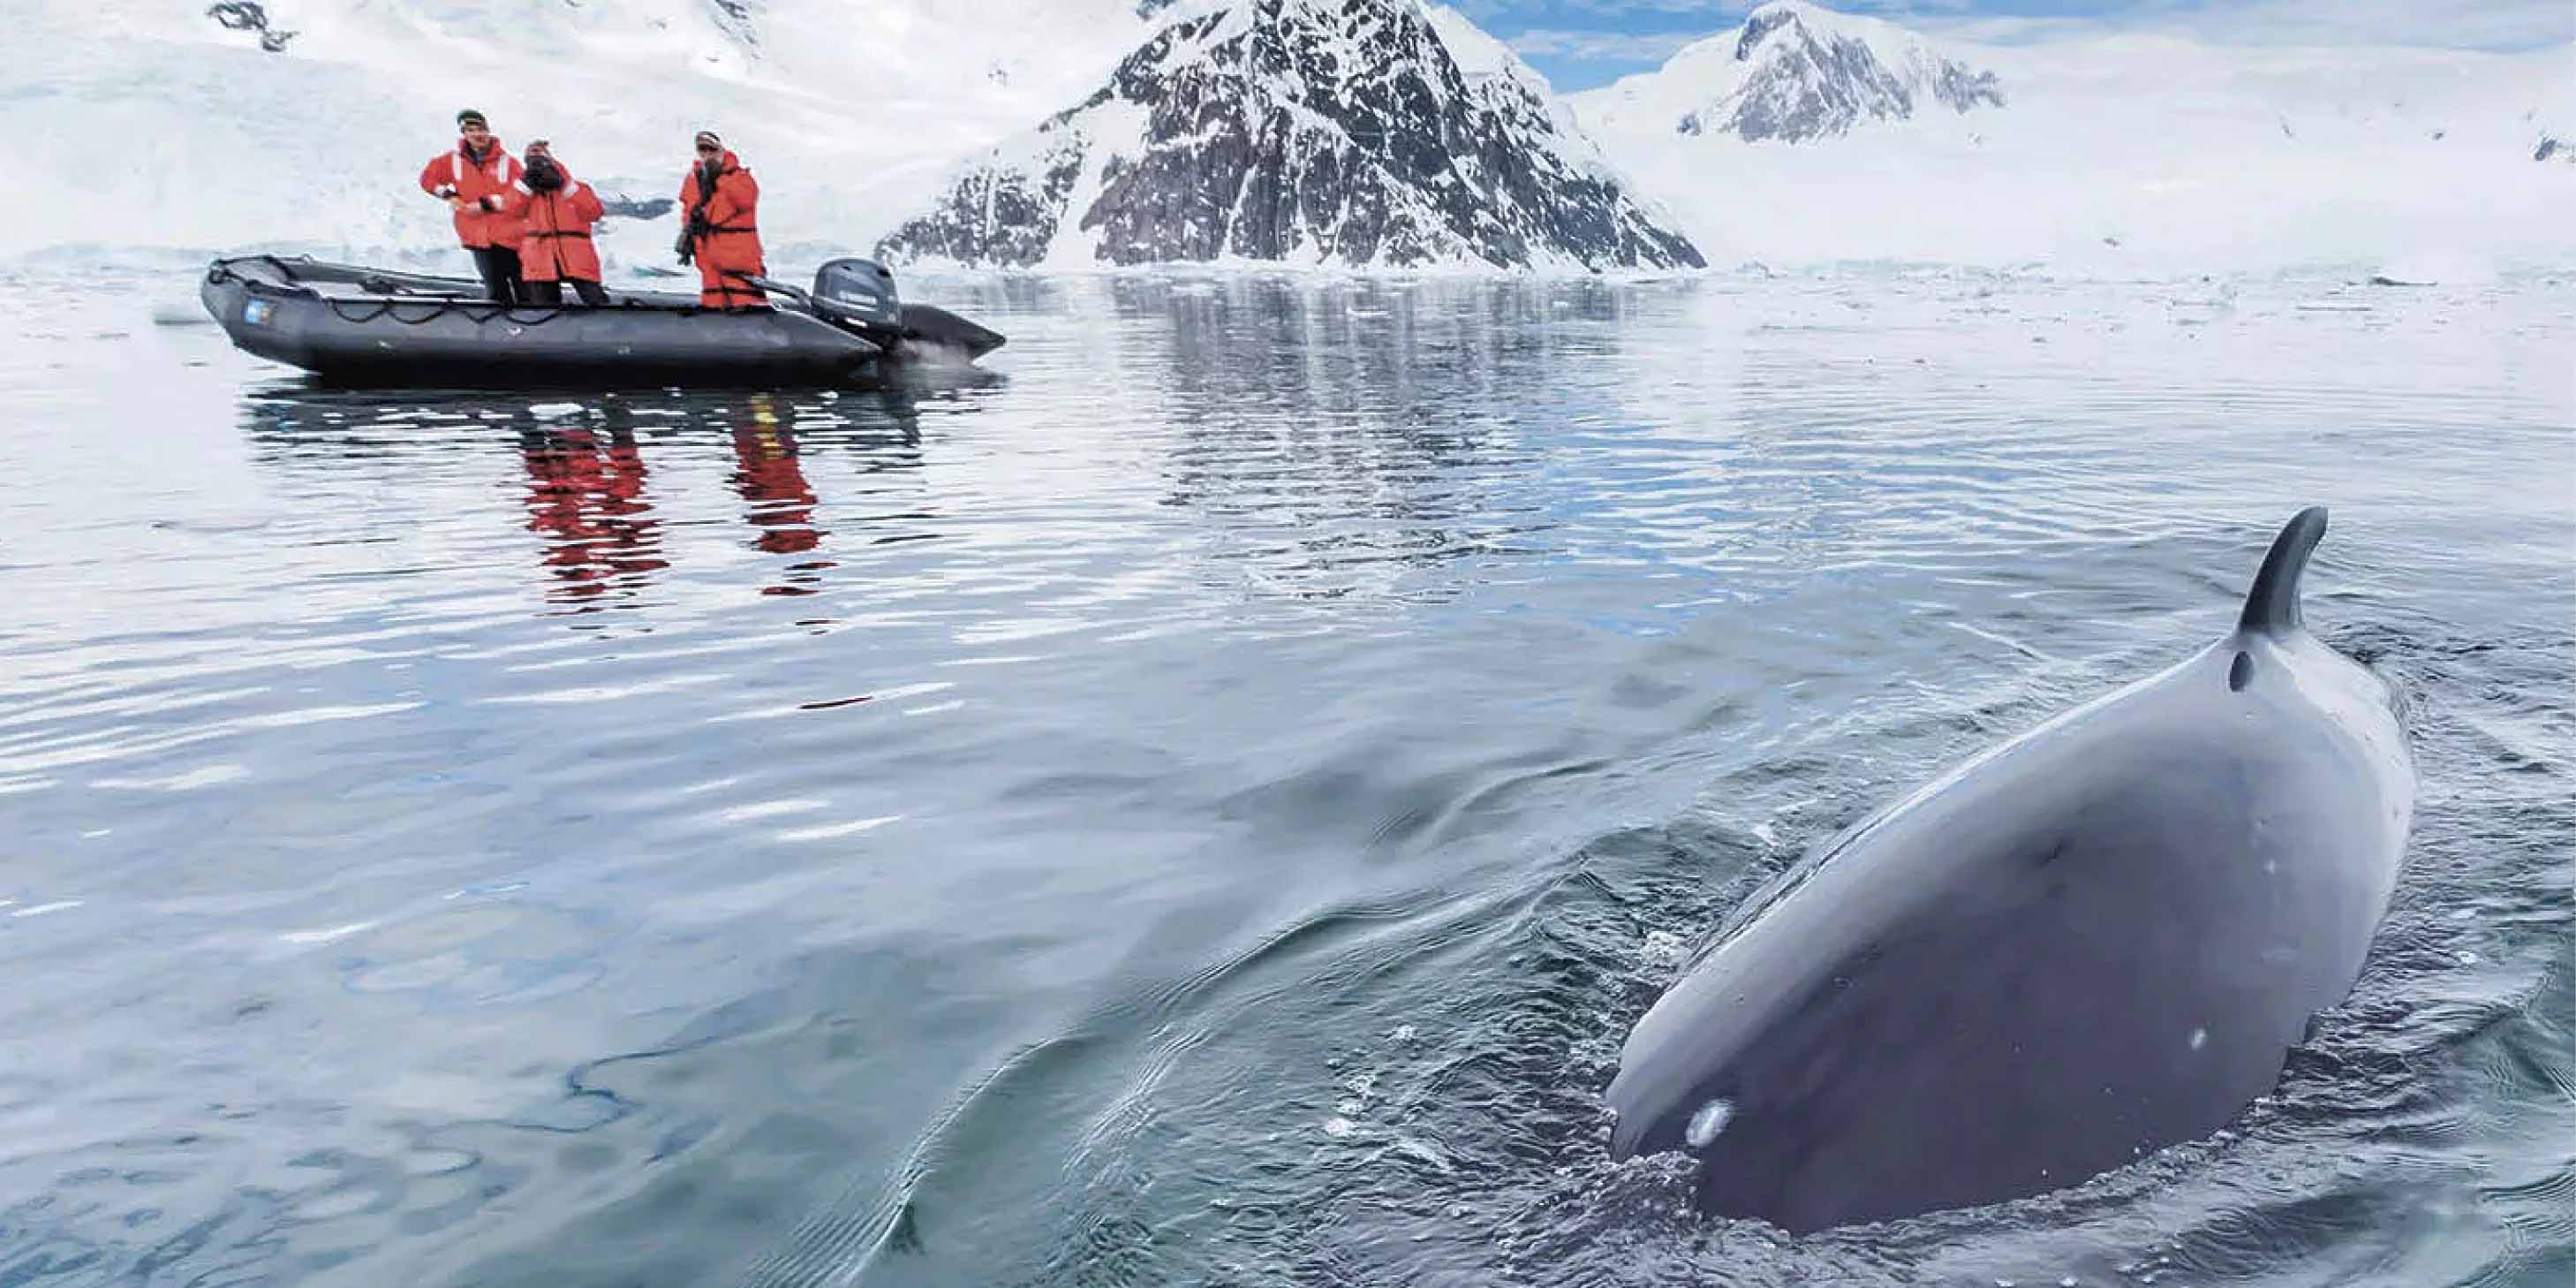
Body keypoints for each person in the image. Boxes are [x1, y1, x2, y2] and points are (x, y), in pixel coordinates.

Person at [419, 109, 525, 303]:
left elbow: (521, 195)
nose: (478, 134)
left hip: (512, 238)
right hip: (478, 238)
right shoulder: (451, 161)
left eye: (482, 129)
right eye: (471, 130)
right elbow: (428, 180)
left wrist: (486, 205)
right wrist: (449, 195)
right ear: (464, 134)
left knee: (525, 288)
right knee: (496, 290)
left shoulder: (509, 163)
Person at [676, 131, 767, 310]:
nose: (707, 153)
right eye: (702, 149)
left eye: (711, 149)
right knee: (713, 302)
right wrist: (687, 235)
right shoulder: (694, 179)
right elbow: (689, 209)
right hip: (708, 254)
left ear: (721, 150)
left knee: (746, 301)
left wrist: (721, 176)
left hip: (737, 256)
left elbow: (746, 199)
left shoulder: (738, 177)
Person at [511, 140, 609, 307]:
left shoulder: (575, 188)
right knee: (544, 310)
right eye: (532, 162)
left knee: (597, 303)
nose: (538, 167)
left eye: (541, 161)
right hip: (539, 259)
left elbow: (594, 212)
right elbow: (511, 211)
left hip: (577, 257)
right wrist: (526, 186)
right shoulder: (523, 192)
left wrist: (563, 184)